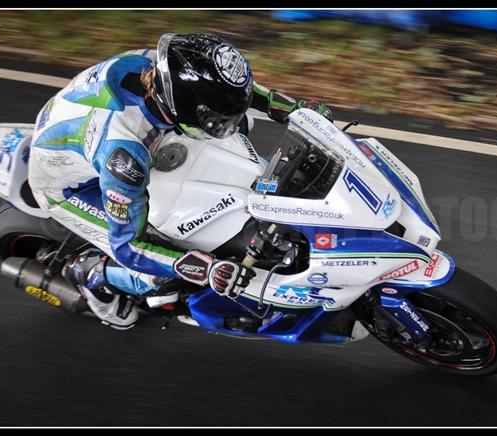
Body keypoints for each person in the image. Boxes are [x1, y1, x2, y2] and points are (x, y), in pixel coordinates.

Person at [27, 32, 333, 330]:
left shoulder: (162, 65)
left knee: (238, 129)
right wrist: (207, 269)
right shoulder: (125, 157)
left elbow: (228, 90)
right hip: (71, 187)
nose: (224, 119)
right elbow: (129, 246)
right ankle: (92, 275)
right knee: (158, 275)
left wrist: (294, 109)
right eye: (216, 115)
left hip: (89, 130)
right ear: (181, 106)